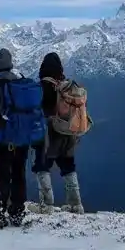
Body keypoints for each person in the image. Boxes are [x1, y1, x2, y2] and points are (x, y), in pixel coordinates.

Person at [0, 48, 40, 227]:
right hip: (22, 139)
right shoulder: (21, 84)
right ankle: (17, 211)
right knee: (19, 173)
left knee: (2, 176)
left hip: (2, 139)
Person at [33, 52, 85, 214]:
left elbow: (38, 109)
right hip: (69, 133)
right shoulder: (67, 85)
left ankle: (46, 204)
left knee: (42, 166)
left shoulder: (44, 86)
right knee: (68, 166)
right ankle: (76, 204)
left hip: (50, 133)